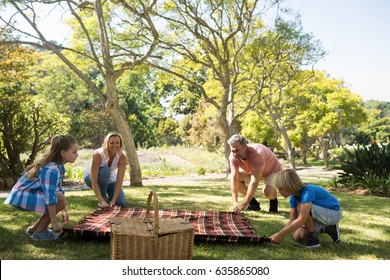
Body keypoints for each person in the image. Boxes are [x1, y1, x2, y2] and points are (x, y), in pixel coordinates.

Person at [4, 135, 78, 241]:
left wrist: (63, 209)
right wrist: (54, 222)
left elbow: (57, 191)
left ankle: (33, 229)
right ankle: (40, 232)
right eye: (74, 152)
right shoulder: (51, 169)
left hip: (24, 196)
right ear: (63, 153)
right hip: (21, 198)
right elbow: (50, 196)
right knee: (58, 198)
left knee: (60, 198)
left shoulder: (57, 167)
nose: (77, 155)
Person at [270, 169, 342, 248]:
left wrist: (280, 235)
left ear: (288, 186)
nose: (279, 191)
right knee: (298, 237)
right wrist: (279, 234)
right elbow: (292, 219)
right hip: (321, 215)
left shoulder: (307, 192)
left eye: (280, 188)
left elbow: (301, 219)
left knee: (301, 206)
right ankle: (328, 227)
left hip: (334, 213)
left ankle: (314, 241)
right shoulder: (293, 196)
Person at [227, 134, 283, 214]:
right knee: (230, 177)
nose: (235, 154)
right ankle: (253, 204)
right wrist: (235, 202)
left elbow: (254, 182)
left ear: (245, 147)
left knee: (268, 192)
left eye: (237, 150)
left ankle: (273, 201)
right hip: (252, 171)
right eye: (233, 151)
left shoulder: (258, 153)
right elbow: (234, 178)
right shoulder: (233, 156)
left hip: (272, 171)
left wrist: (244, 204)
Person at [84, 132, 127, 208]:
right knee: (106, 171)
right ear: (107, 143)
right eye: (112, 143)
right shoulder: (98, 154)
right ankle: (103, 198)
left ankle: (109, 200)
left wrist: (113, 201)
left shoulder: (122, 157)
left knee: (121, 202)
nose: (115, 145)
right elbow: (94, 181)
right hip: (91, 177)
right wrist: (101, 200)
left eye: (117, 143)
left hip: (110, 178)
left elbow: (119, 180)